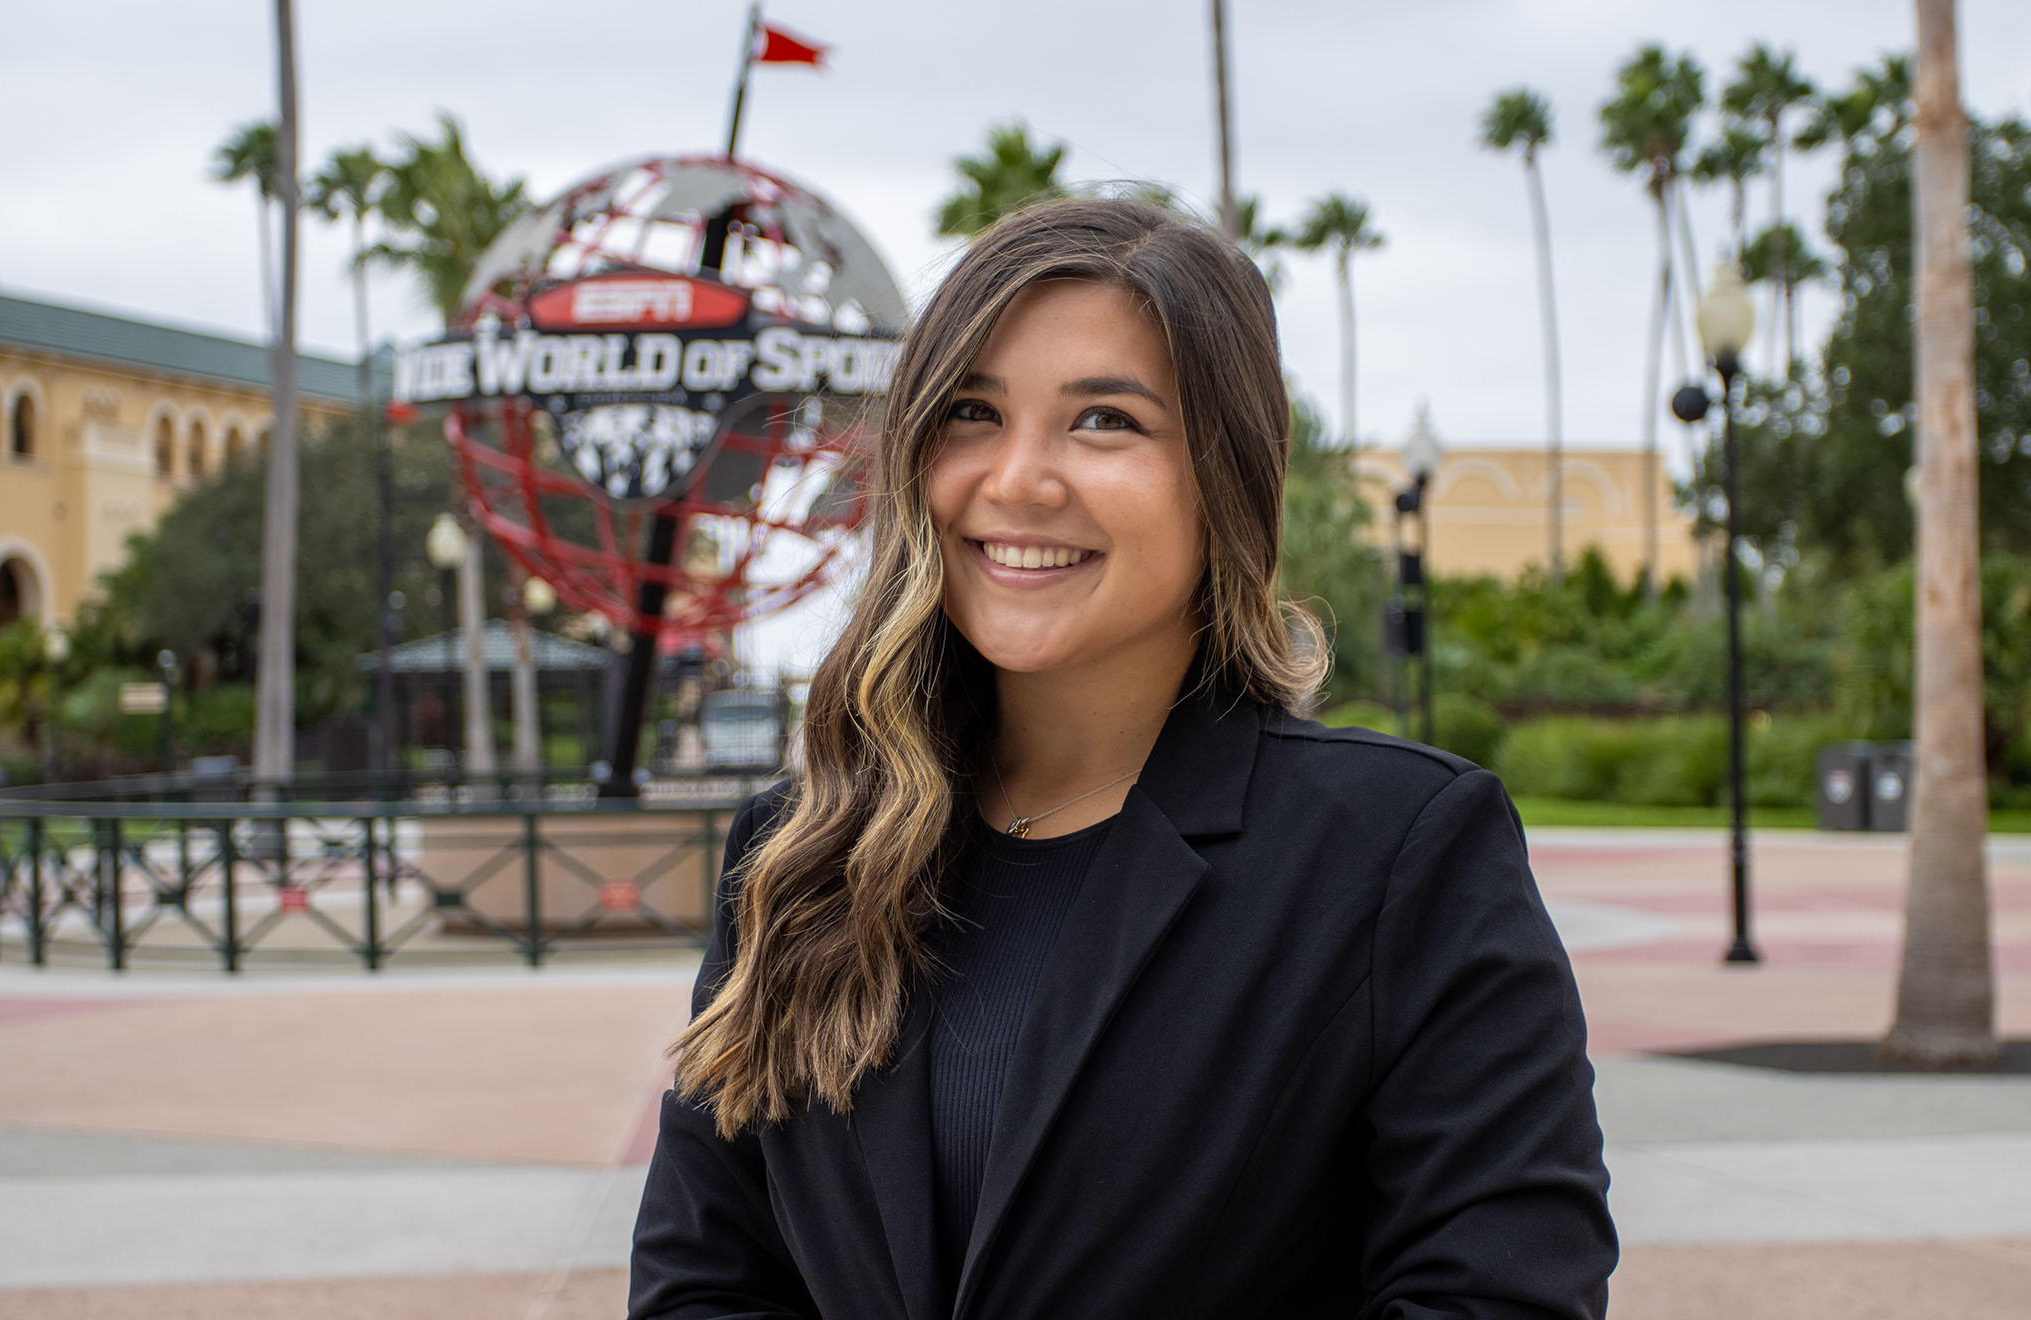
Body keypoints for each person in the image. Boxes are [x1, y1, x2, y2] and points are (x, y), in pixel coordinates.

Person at [630, 197, 1615, 1320]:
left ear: (1227, 477)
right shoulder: (803, 850)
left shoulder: (1397, 855)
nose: (1018, 479)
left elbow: (1500, 1296)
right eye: (971, 412)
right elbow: (704, 1282)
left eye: (1104, 421)